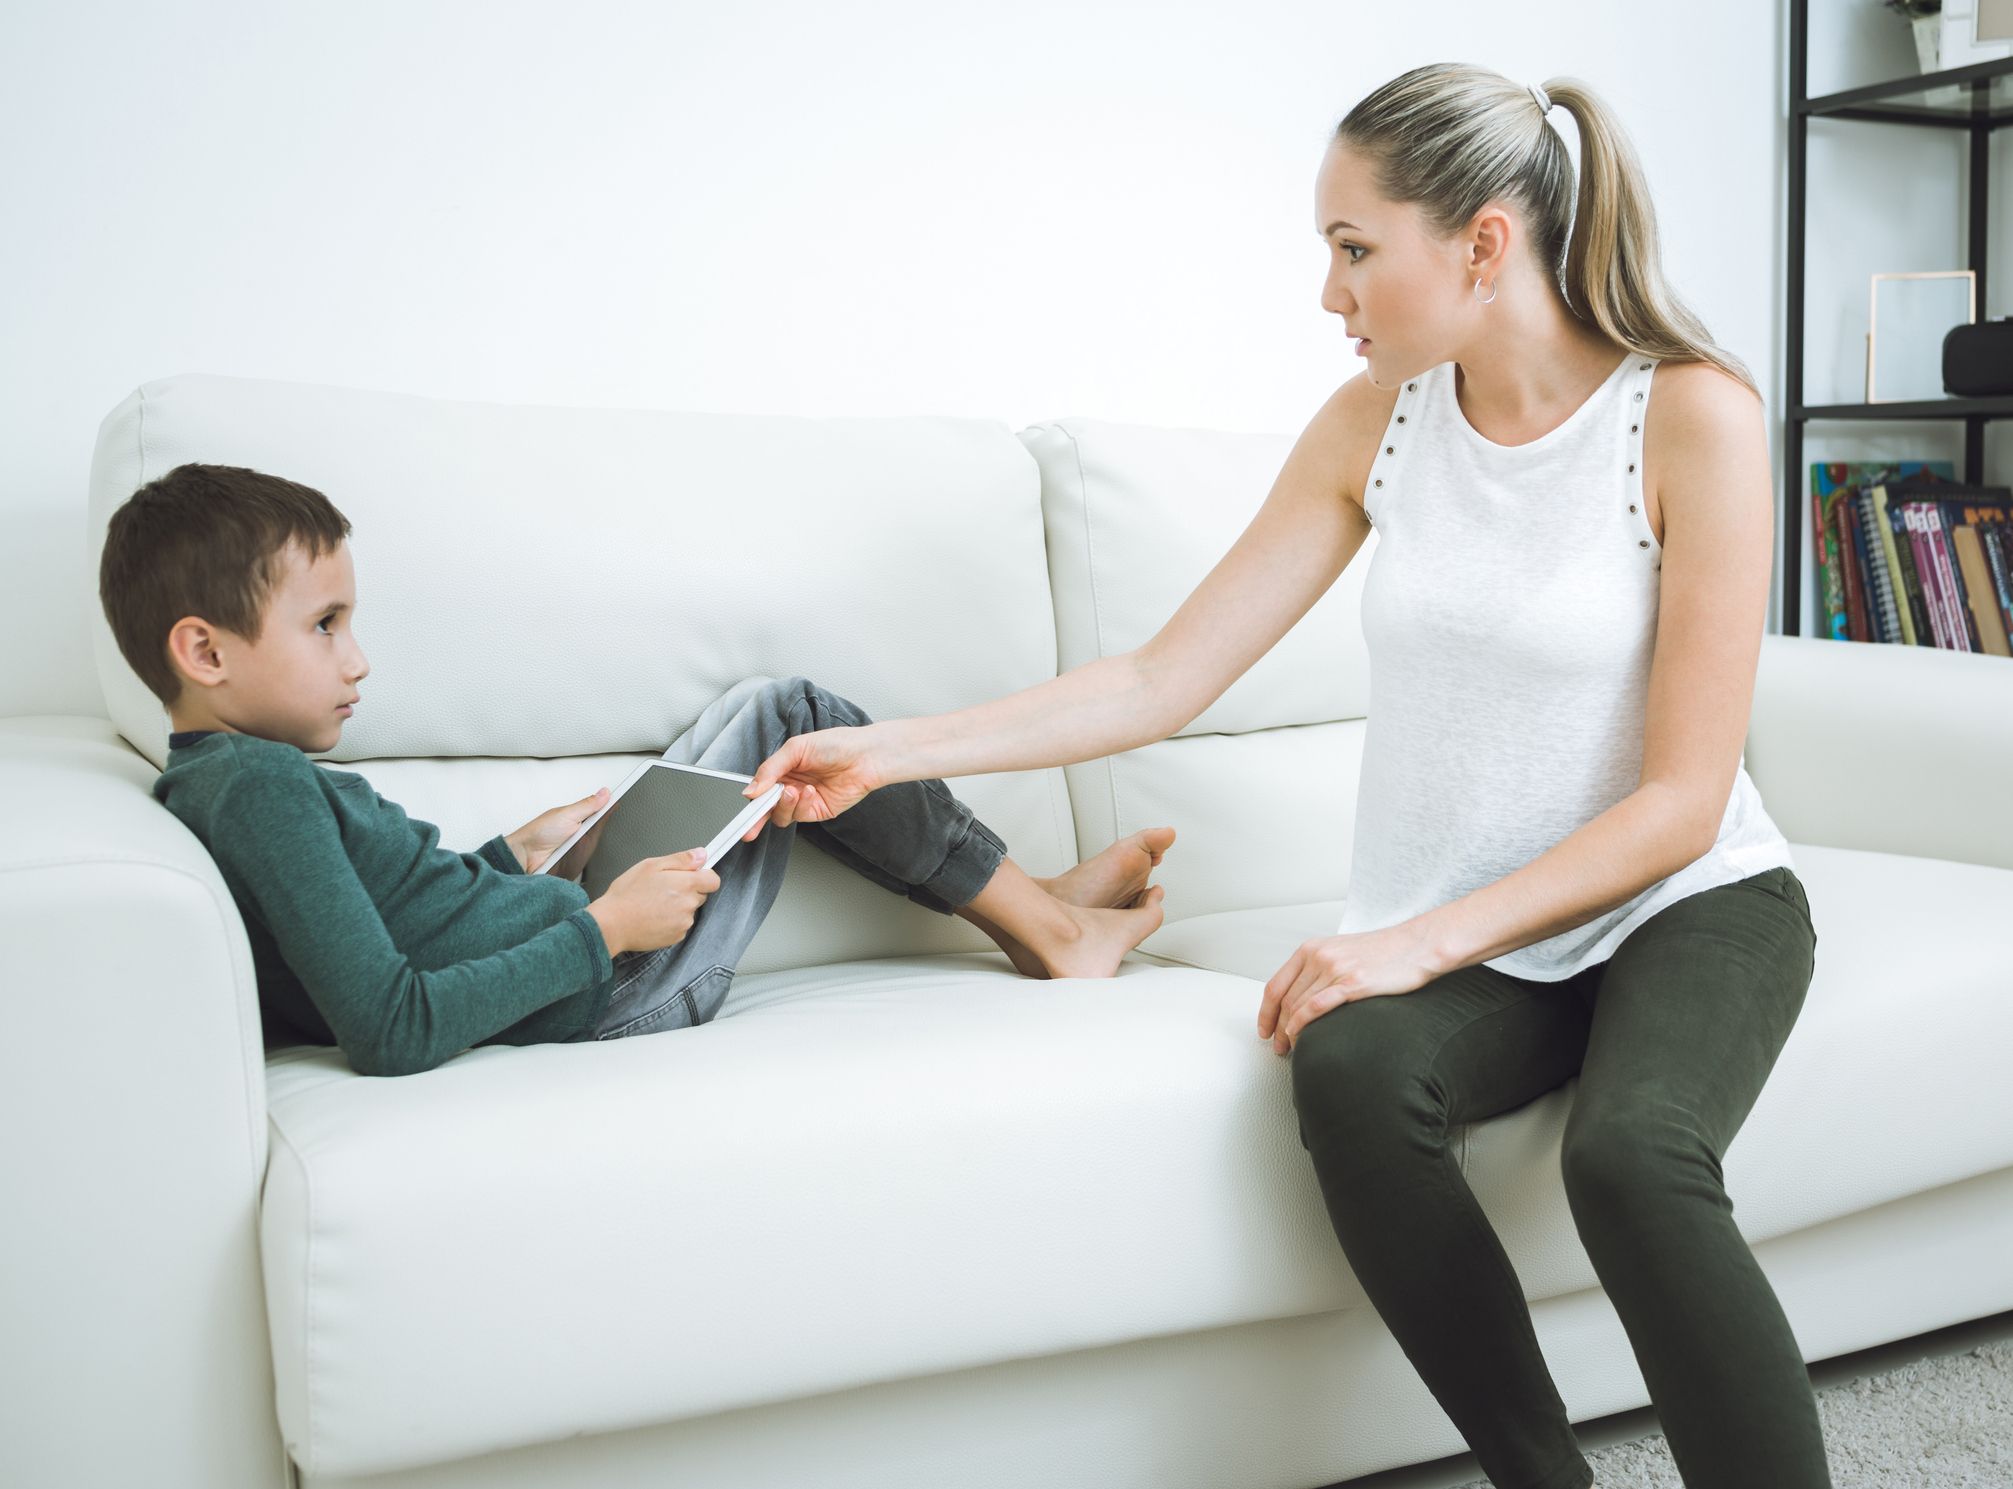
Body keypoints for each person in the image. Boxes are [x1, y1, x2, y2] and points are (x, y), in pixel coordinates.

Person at [738, 62, 1828, 1489]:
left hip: (1689, 899)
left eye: (1354, 249)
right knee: (1351, 1066)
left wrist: (1414, 938)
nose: (1331, 293)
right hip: (1490, 929)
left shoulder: (1688, 416)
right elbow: (1156, 680)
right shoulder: (1377, 426)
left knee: (1629, 1159)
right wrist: (888, 751)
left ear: (1482, 245)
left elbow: (1682, 802)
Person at [101, 462, 1174, 1078]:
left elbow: (379, 926)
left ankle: (1032, 906)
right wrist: (603, 928)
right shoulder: (264, 789)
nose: (359, 658)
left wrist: (511, 856)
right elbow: (389, 1023)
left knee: (764, 715)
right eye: (325, 625)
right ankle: (1052, 929)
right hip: (609, 986)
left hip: (562, 936)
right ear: (204, 651)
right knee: (792, 717)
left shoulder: (220, 783)